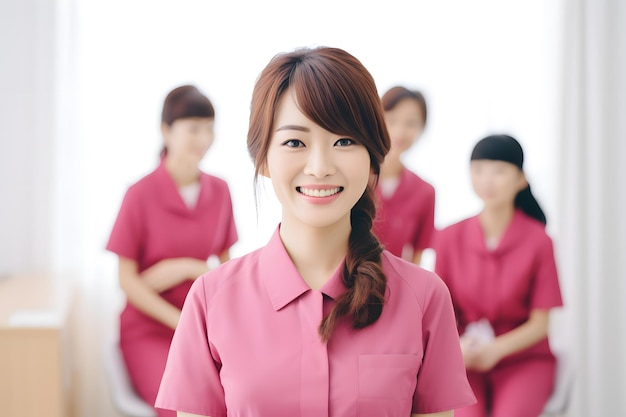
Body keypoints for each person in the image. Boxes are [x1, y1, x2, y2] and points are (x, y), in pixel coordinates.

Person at [155, 46, 475, 417]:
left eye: (344, 141)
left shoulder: (425, 299)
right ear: (263, 159)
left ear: (373, 158)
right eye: (295, 142)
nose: (320, 167)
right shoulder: (211, 300)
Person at [106, 85, 239, 417]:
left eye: (209, 128)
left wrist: (187, 268)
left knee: (236, 400)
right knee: (179, 406)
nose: (203, 137)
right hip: (149, 330)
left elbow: (227, 274)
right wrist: (180, 321)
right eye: (193, 128)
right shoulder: (139, 194)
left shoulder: (220, 191)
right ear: (166, 130)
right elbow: (127, 281)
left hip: (203, 329)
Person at [433, 134, 563, 417]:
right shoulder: (448, 237)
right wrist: (457, 347)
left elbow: (541, 324)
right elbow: (439, 312)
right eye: (478, 169)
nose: (487, 179)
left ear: (521, 179)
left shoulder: (539, 241)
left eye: (499, 170)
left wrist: (496, 350)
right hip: (465, 358)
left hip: (523, 360)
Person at [373, 86, 436, 265]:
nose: (400, 131)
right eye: (391, 120)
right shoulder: (354, 178)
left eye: (411, 123)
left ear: (422, 128)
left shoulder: (425, 192)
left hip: (395, 288)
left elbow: (418, 257)